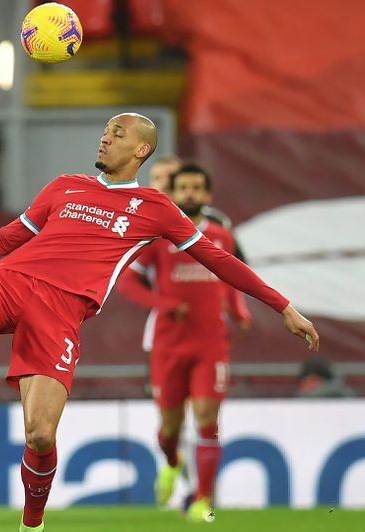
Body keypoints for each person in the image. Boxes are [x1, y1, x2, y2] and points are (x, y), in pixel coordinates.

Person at [0, 113, 319, 532]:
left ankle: (31, 525)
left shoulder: (156, 209)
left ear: (141, 150)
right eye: (105, 130)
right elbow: (6, 239)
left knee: (38, 434)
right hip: (10, 281)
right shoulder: (65, 187)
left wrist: (283, 306)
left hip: (61, 311)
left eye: (118, 132)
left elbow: (218, 260)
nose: (106, 136)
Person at [116, 163, 251, 523]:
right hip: (168, 344)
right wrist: (164, 304)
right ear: (173, 194)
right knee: (170, 428)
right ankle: (173, 463)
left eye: (196, 187)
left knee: (208, 420)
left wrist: (239, 311)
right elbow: (127, 283)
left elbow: (231, 279)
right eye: (183, 187)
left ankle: (203, 500)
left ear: (207, 196)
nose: (189, 193)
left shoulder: (222, 237)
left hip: (211, 344)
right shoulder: (159, 239)